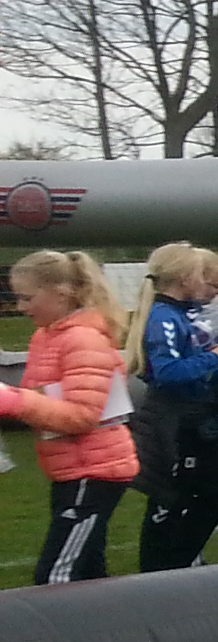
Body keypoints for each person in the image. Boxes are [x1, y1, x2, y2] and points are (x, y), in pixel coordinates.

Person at [1, 249, 141, 584]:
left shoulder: (82, 339)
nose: (21, 307)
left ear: (61, 294)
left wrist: (11, 399)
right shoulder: (48, 336)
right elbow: (47, 399)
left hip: (94, 471)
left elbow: (82, 416)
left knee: (55, 576)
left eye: (27, 298)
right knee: (87, 572)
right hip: (73, 469)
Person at [133, 244, 218, 572]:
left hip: (191, 416)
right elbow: (167, 373)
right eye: (202, 277)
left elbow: (195, 368)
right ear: (185, 279)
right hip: (172, 421)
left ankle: (173, 566)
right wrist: (214, 357)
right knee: (171, 498)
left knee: (214, 492)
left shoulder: (180, 315)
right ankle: (158, 570)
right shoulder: (164, 317)